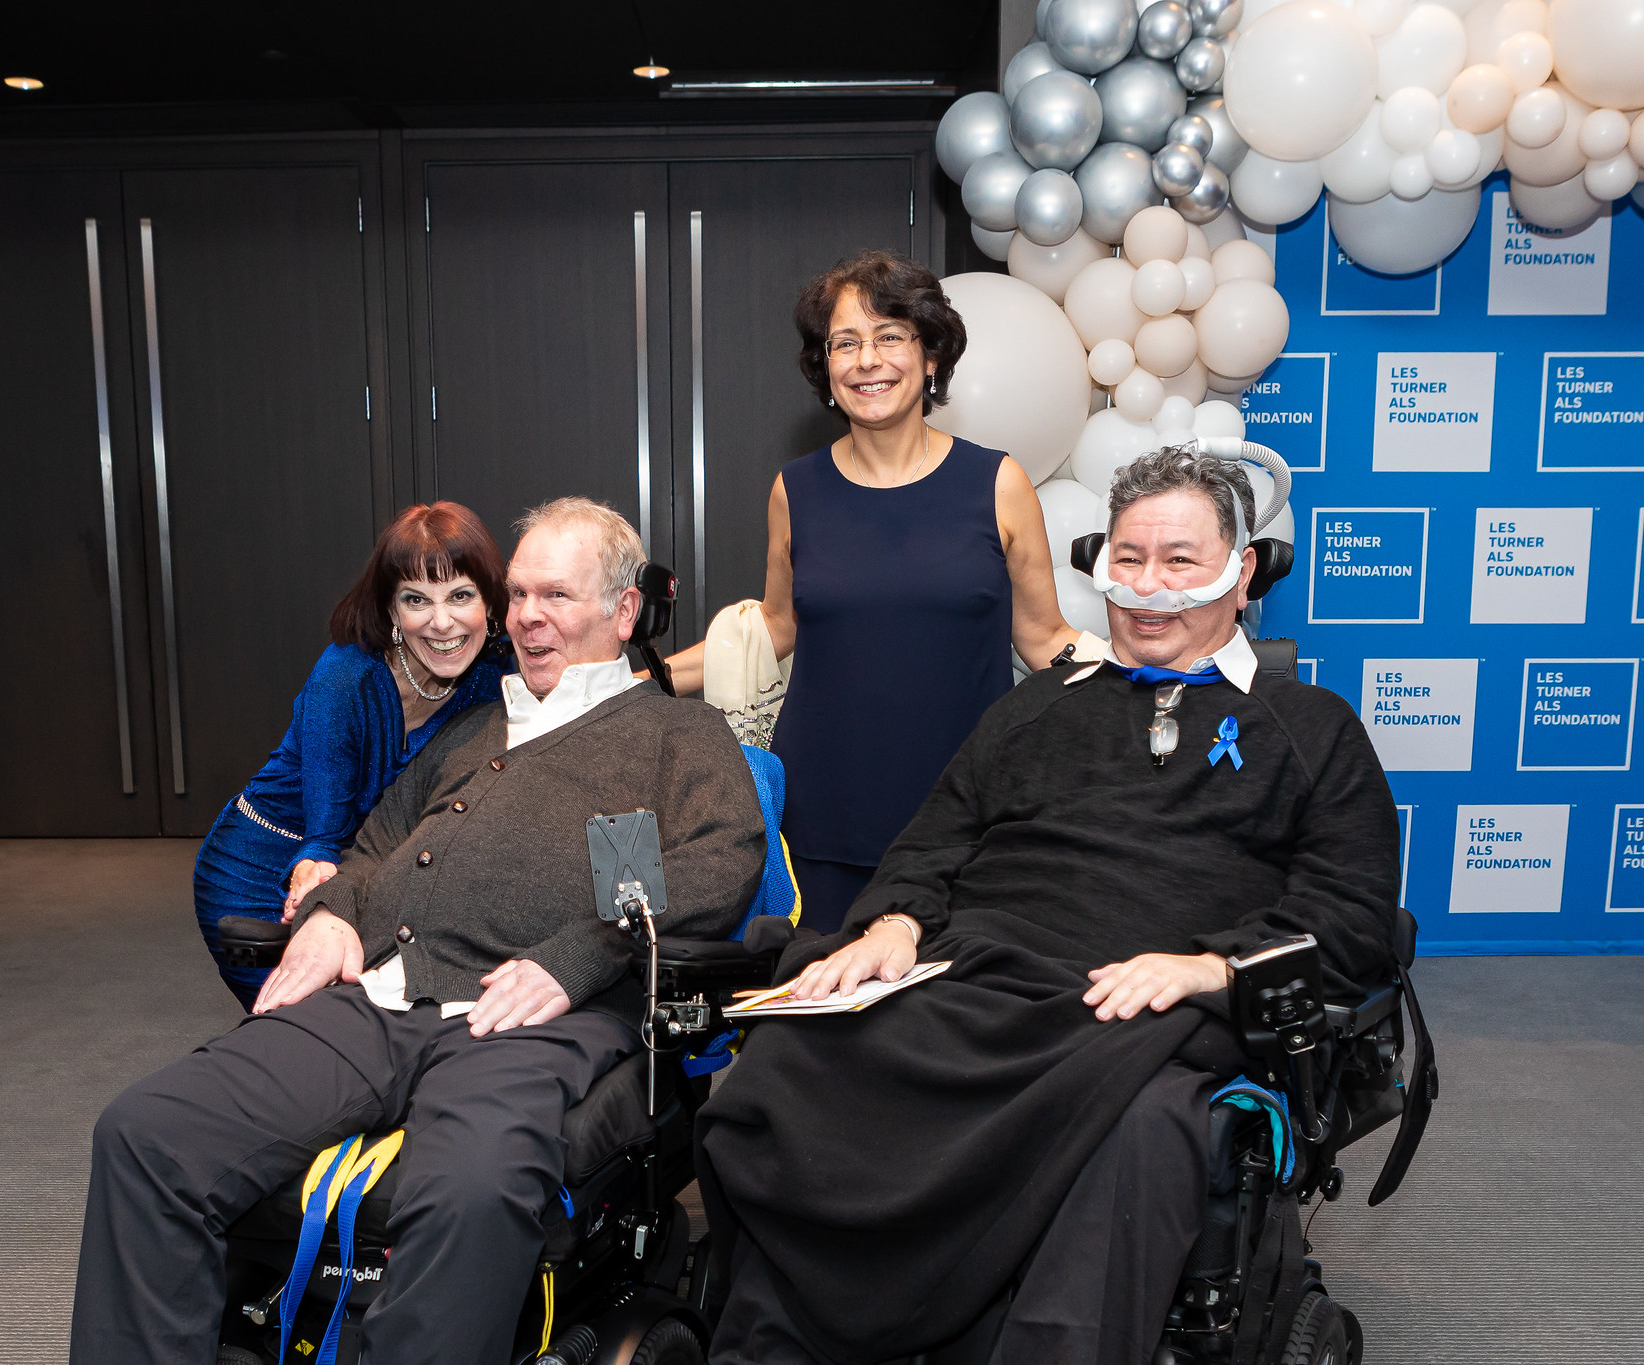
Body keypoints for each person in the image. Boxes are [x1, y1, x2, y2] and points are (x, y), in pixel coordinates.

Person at [696, 447, 1403, 1365]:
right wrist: (896, 922)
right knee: (798, 1051)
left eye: (1180, 562)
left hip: (1150, 1001)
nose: (1148, 587)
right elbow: (932, 843)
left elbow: (1351, 917)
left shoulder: (1312, 728)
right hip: (985, 972)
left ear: (1242, 575)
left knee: (1140, 1125)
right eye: (1128, 559)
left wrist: (1211, 968)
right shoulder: (1034, 712)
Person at [73, 498, 766, 1365]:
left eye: (555, 595)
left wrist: (578, 955)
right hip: (380, 995)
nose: (526, 617)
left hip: (531, 1016)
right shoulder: (477, 728)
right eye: (516, 595)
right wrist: (330, 917)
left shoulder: (677, 733)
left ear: (623, 612)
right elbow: (372, 846)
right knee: (145, 1133)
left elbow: (723, 860)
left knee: (468, 1192)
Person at [659, 250, 1091, 934]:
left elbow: (1044, 639)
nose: (868, 360)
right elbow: (772, 627)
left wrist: (1156, 672)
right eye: (846, 342)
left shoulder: (998, 484)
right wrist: (636, 676)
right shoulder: (795, 490)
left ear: (930, 360)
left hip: (968, 818)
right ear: (825, 368)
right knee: (821, 1024)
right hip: (823, 818)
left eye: (891, 337)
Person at [192, 502, 512, 1008]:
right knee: (303, 1032)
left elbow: (581, 696)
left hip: (364, 872)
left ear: (492, 602)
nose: (442, 622)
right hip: (261, 864)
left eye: (461, 595)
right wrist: (316, 875)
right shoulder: (345, 678)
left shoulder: (493, 675)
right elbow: (325, 838)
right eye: (417, 600)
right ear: (391, 610)